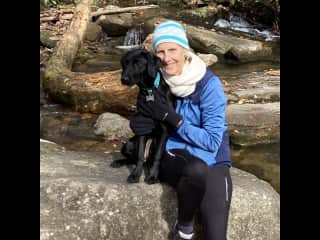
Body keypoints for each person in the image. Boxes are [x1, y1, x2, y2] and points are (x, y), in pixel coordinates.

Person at [131, 20, 233, 240]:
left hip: (214, 157)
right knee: (196, 170)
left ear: (185, 50)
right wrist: (139, 123)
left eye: (173, 50)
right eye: (160, 52)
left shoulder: (209, 84)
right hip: (175, 153)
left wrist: (174, 119)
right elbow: (146, 119)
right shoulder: (154, 83)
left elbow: (213, 141)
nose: (167, 58)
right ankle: (184, 229)